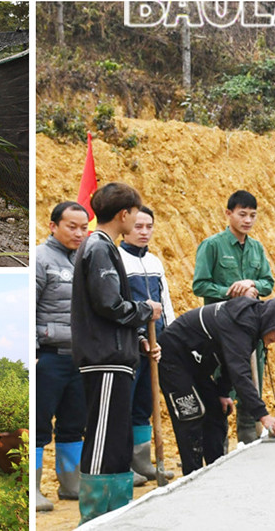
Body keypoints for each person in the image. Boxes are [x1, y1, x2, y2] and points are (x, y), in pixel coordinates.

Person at [70, 182, 160, 521]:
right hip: (104, 359)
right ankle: (93, 515)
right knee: (102, 438)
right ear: (124, 214)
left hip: (118, 357)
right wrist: (144, 310)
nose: (137, 220)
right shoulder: (100, 248)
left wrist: (137, 339)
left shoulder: (103, 246)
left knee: (118, 438)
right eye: (135, 214)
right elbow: (109, 303)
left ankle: (116, 512)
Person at [158, 297, 275, 475]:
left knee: (217, 411)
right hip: (173, 357)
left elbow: (230, 359)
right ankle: (192, 475)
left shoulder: (254, 323)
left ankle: (215, 470)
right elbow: (239, 372)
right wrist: (263, 416)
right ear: (271, 320)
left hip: (196, 361)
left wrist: (223, 392)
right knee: (191, 414)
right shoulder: (241, 324)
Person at [192, 191, 275, 443]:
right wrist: (230, 291)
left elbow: (268, 283)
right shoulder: (212, 246)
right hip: (221, 330)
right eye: (242, 214)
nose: (247, 220)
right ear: (228, 214)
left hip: (252, 330)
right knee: (222, 388)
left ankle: (249, 439)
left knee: (251, 384)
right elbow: (200, 285)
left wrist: (252, 284)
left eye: (252, 215)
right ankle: (219, 444)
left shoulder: (256, 247)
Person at [35, 201, 89, 512]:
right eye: (72, 226)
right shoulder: (42, 259)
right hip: (49, 357)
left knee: (73, 424)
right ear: (53, 226)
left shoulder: (84, 259)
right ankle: (35, 490)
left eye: (84, 227)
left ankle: (72, 485)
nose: (79, 233)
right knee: (41, 425)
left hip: (78, 357)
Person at [118, 205, 175, 485]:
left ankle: (143, 461)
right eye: (138, 226)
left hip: (157, 342)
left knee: (144, 404)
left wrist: (169, 337)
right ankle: (121, 461)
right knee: (124, 403)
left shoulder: (154, 262)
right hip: (130, 342)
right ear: (125, 225)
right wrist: (140, 337)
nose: (144, 232)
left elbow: (166, 303)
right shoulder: (117, 259)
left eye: (149, 227)